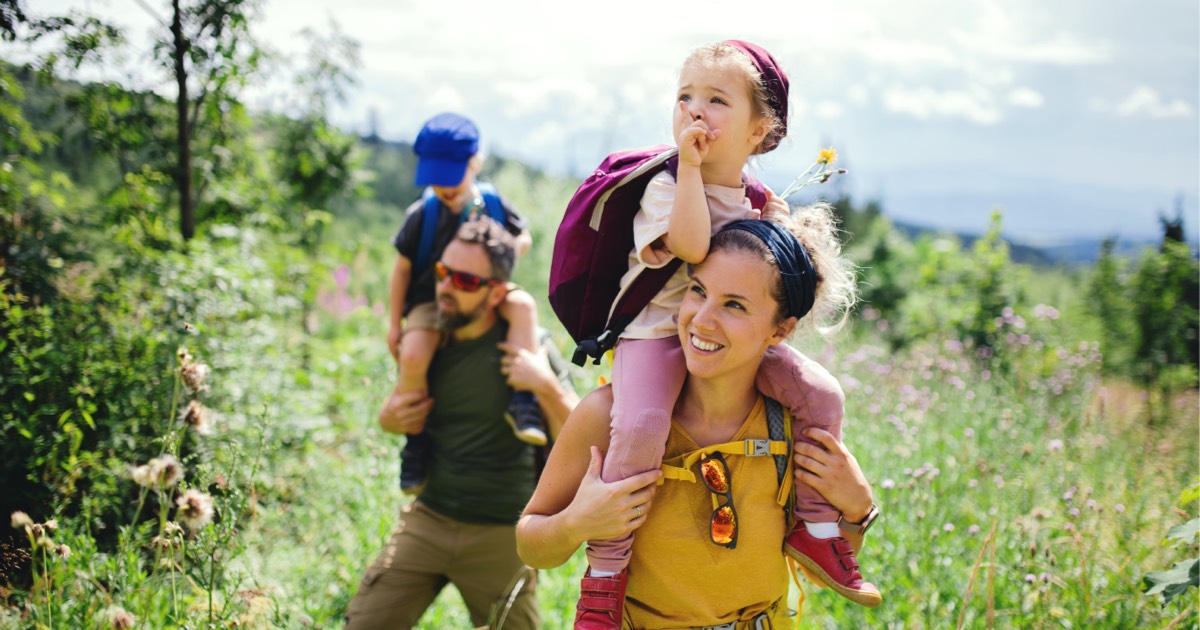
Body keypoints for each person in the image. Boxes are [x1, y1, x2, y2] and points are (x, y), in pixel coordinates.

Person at [560, 39, 879, 627]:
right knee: (643, 422)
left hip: (723, 350)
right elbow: (692, 246)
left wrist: (777, 228)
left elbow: (778, 280)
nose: (694, 110)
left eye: (715, 99)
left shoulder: (759, 201)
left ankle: (816, 526)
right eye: (684, 96)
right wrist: (687, 166)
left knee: (821, 395)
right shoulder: (665, 184)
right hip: (657, 337)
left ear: (761, 130)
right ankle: (605, 577)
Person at [517, 210, 881, 628]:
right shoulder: (609, 415)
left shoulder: (795, 422)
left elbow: (817, 573)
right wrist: (575, 523)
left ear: (780, 330)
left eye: (734, 305)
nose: (702, 319)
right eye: (697, 290)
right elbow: (531, 546)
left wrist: (858, 510)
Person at [350, 218, 581, 629]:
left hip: (502, 535)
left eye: (465, 281)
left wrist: (543, 384)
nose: (447, 289)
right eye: (442, 273)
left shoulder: (529, 345)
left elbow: (577, 439)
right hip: (429, 519)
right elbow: (395, 414)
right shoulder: (426, 341)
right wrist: (388, 418)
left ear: (497, 293)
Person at [383, 112, 547, 495]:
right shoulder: (422, 214)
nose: (443, 186)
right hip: (431, 298)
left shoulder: (492, 203)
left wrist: (500, 255)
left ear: (475, 163)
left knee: (522, 308)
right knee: (413, 354)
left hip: (485, 287)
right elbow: (402, 270)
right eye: (434, 178)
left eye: (451, 175)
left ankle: (523, 400)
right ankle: (416, 439)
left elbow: (522, 238)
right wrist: (395, 324)